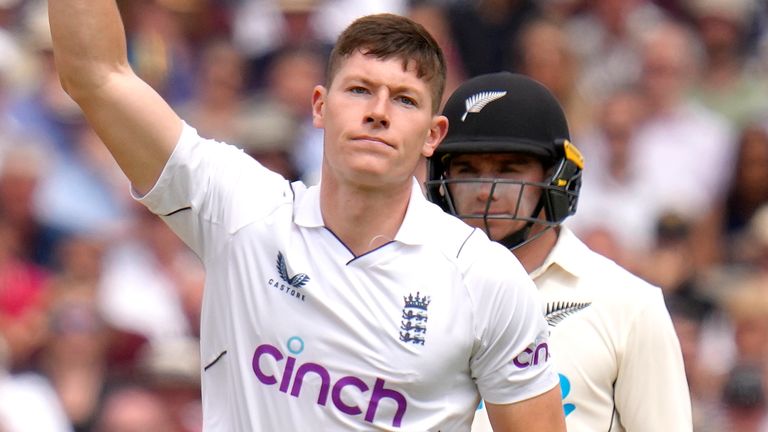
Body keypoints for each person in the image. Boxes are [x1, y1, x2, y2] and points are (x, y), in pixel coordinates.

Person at [49, 4, 566, 430]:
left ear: (434, 135)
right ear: (319, 105)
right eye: (360, 89)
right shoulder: (242, 209)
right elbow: (96, 75)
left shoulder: (486, 279)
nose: (378, 112)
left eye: (404, 100)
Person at [425, 72, 691, 431]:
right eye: (467, 170)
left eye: (509, 170)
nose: (486, 191)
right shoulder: (410, 287)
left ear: (556, 178)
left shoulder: (629, 306)